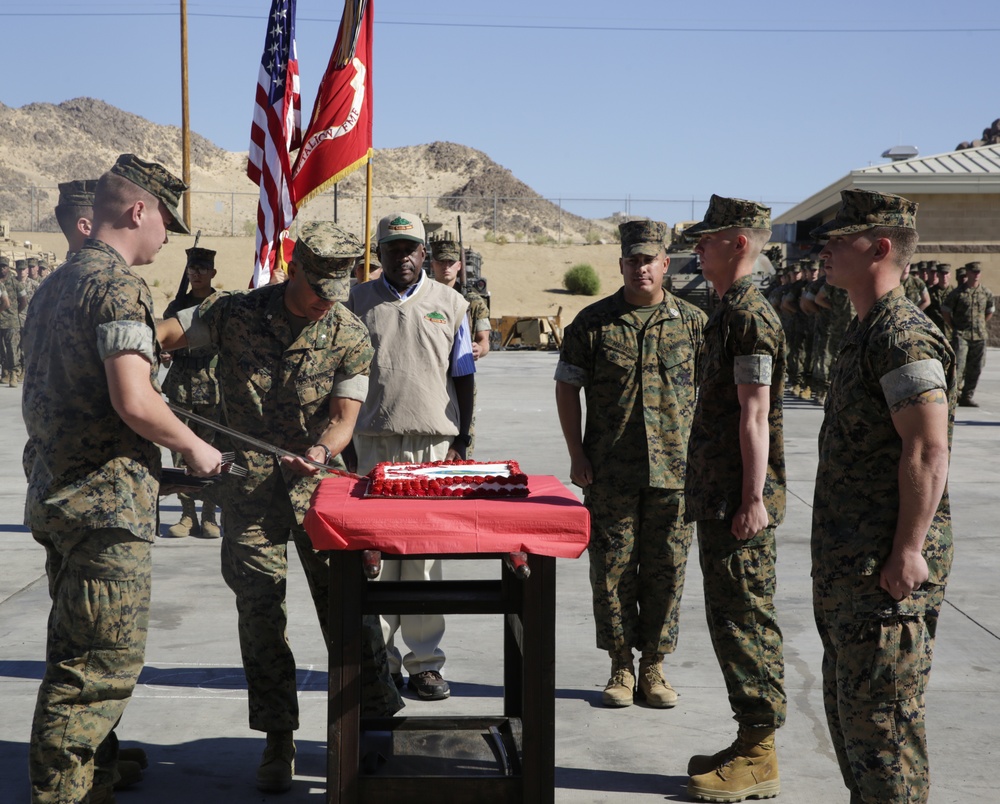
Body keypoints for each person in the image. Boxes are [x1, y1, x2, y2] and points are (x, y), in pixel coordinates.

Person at [157, 221, 403, 793]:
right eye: (319, 290)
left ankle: (375, 719)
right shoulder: (234, 312)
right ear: (294, 267)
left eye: (337, 291)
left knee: (347, 609)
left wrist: (319, 449)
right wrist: (126, 342)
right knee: (260, 615)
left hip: (319, 489)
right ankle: (277, 737)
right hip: (247, 492)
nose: (326, 304)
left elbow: (344, 418)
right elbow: (168, 335)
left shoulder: (349, 332)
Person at [22, 153, 222, 804]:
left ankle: (97, 774)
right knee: (96, 671)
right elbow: (134, 400)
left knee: (78, 646)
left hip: (63, 494)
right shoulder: (118, 286)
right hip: (105, 514)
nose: (168, 236)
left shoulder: (56, 285)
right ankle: (61, 793)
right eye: (167, 219)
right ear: (138, 211)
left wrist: (153, 470)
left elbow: (56, 399)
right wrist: (195, 449)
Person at [810, 189, 955, 804]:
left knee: (885, 734)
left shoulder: (903, 336)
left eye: (845, 236)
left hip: (887, 569)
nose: (828, 245)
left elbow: (926, 449)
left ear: (883, 247)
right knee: (857, 728)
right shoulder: (864, 329)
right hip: (853, 567)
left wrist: (910, 548)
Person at [554, 220, 705, 708]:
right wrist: (576, 454)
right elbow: (566, 387)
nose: (641, 268)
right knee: (613, 572)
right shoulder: (592, 323)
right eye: (632, 260)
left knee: (668, 570)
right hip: (609, 472)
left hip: (675, 475)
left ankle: (654, 668)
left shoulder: (694, 323)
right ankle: (620, 666)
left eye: (649, 260)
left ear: (666, 265)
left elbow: (716, 395)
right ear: (621, 265)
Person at [346, 212, 475, 702]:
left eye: (411, 248)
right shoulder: (357, 301)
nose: (402, 257)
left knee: (422, 559)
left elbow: (463, 375)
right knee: (372, 559)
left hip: (431, 447)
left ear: (425, 252)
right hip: (371, 445)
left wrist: (463, 439)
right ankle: (378, 662)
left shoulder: (452, 304)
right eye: (393, 248)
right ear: (378, 253)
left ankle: (425, 664)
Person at [682, 195, 786, 803]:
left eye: (708, 238)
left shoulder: (750, 315)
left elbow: (756, 415)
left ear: (739, 242)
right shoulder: (727, 309)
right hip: (719, 497)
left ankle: (759, 753)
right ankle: (749, 738)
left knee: (746, 621)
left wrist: (752, 498)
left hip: (737, 503)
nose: (698, 247)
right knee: (729, 620)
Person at [161, 247, 223, 538]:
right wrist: (165, 354)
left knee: (212, 453)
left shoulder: (221, 305)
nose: (196, 273)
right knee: (180, 453)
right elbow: (165, 341)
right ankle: (187, 516)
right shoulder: (176, 307)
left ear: (212, 273)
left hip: (212, 386)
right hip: (182, 386)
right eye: (192, 269)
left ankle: (210, 515)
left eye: (202, 268)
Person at [942, 261, 994, 406]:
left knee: (976, 368)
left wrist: (981, 324)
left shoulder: (986, 292)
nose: (976, 275)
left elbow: (989, 311)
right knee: (958, 366)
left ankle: (967, 396)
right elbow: (946, 310)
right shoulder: (957, 293)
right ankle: (954, 395)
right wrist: (953, 326)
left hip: (979, 335)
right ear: (968, 273)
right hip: (961, 335)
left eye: (978, 272)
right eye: (973, 272)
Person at [0, 255, 26, 387]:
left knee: (12, 348)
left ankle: (14, 374)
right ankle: (4, 372)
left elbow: (24, 301)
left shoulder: (15, 283)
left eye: (4, 266)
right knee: (1, 349)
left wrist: (15, 313)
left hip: (11, 321)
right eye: (0, 266)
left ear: (8, 268)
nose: (2, 269)